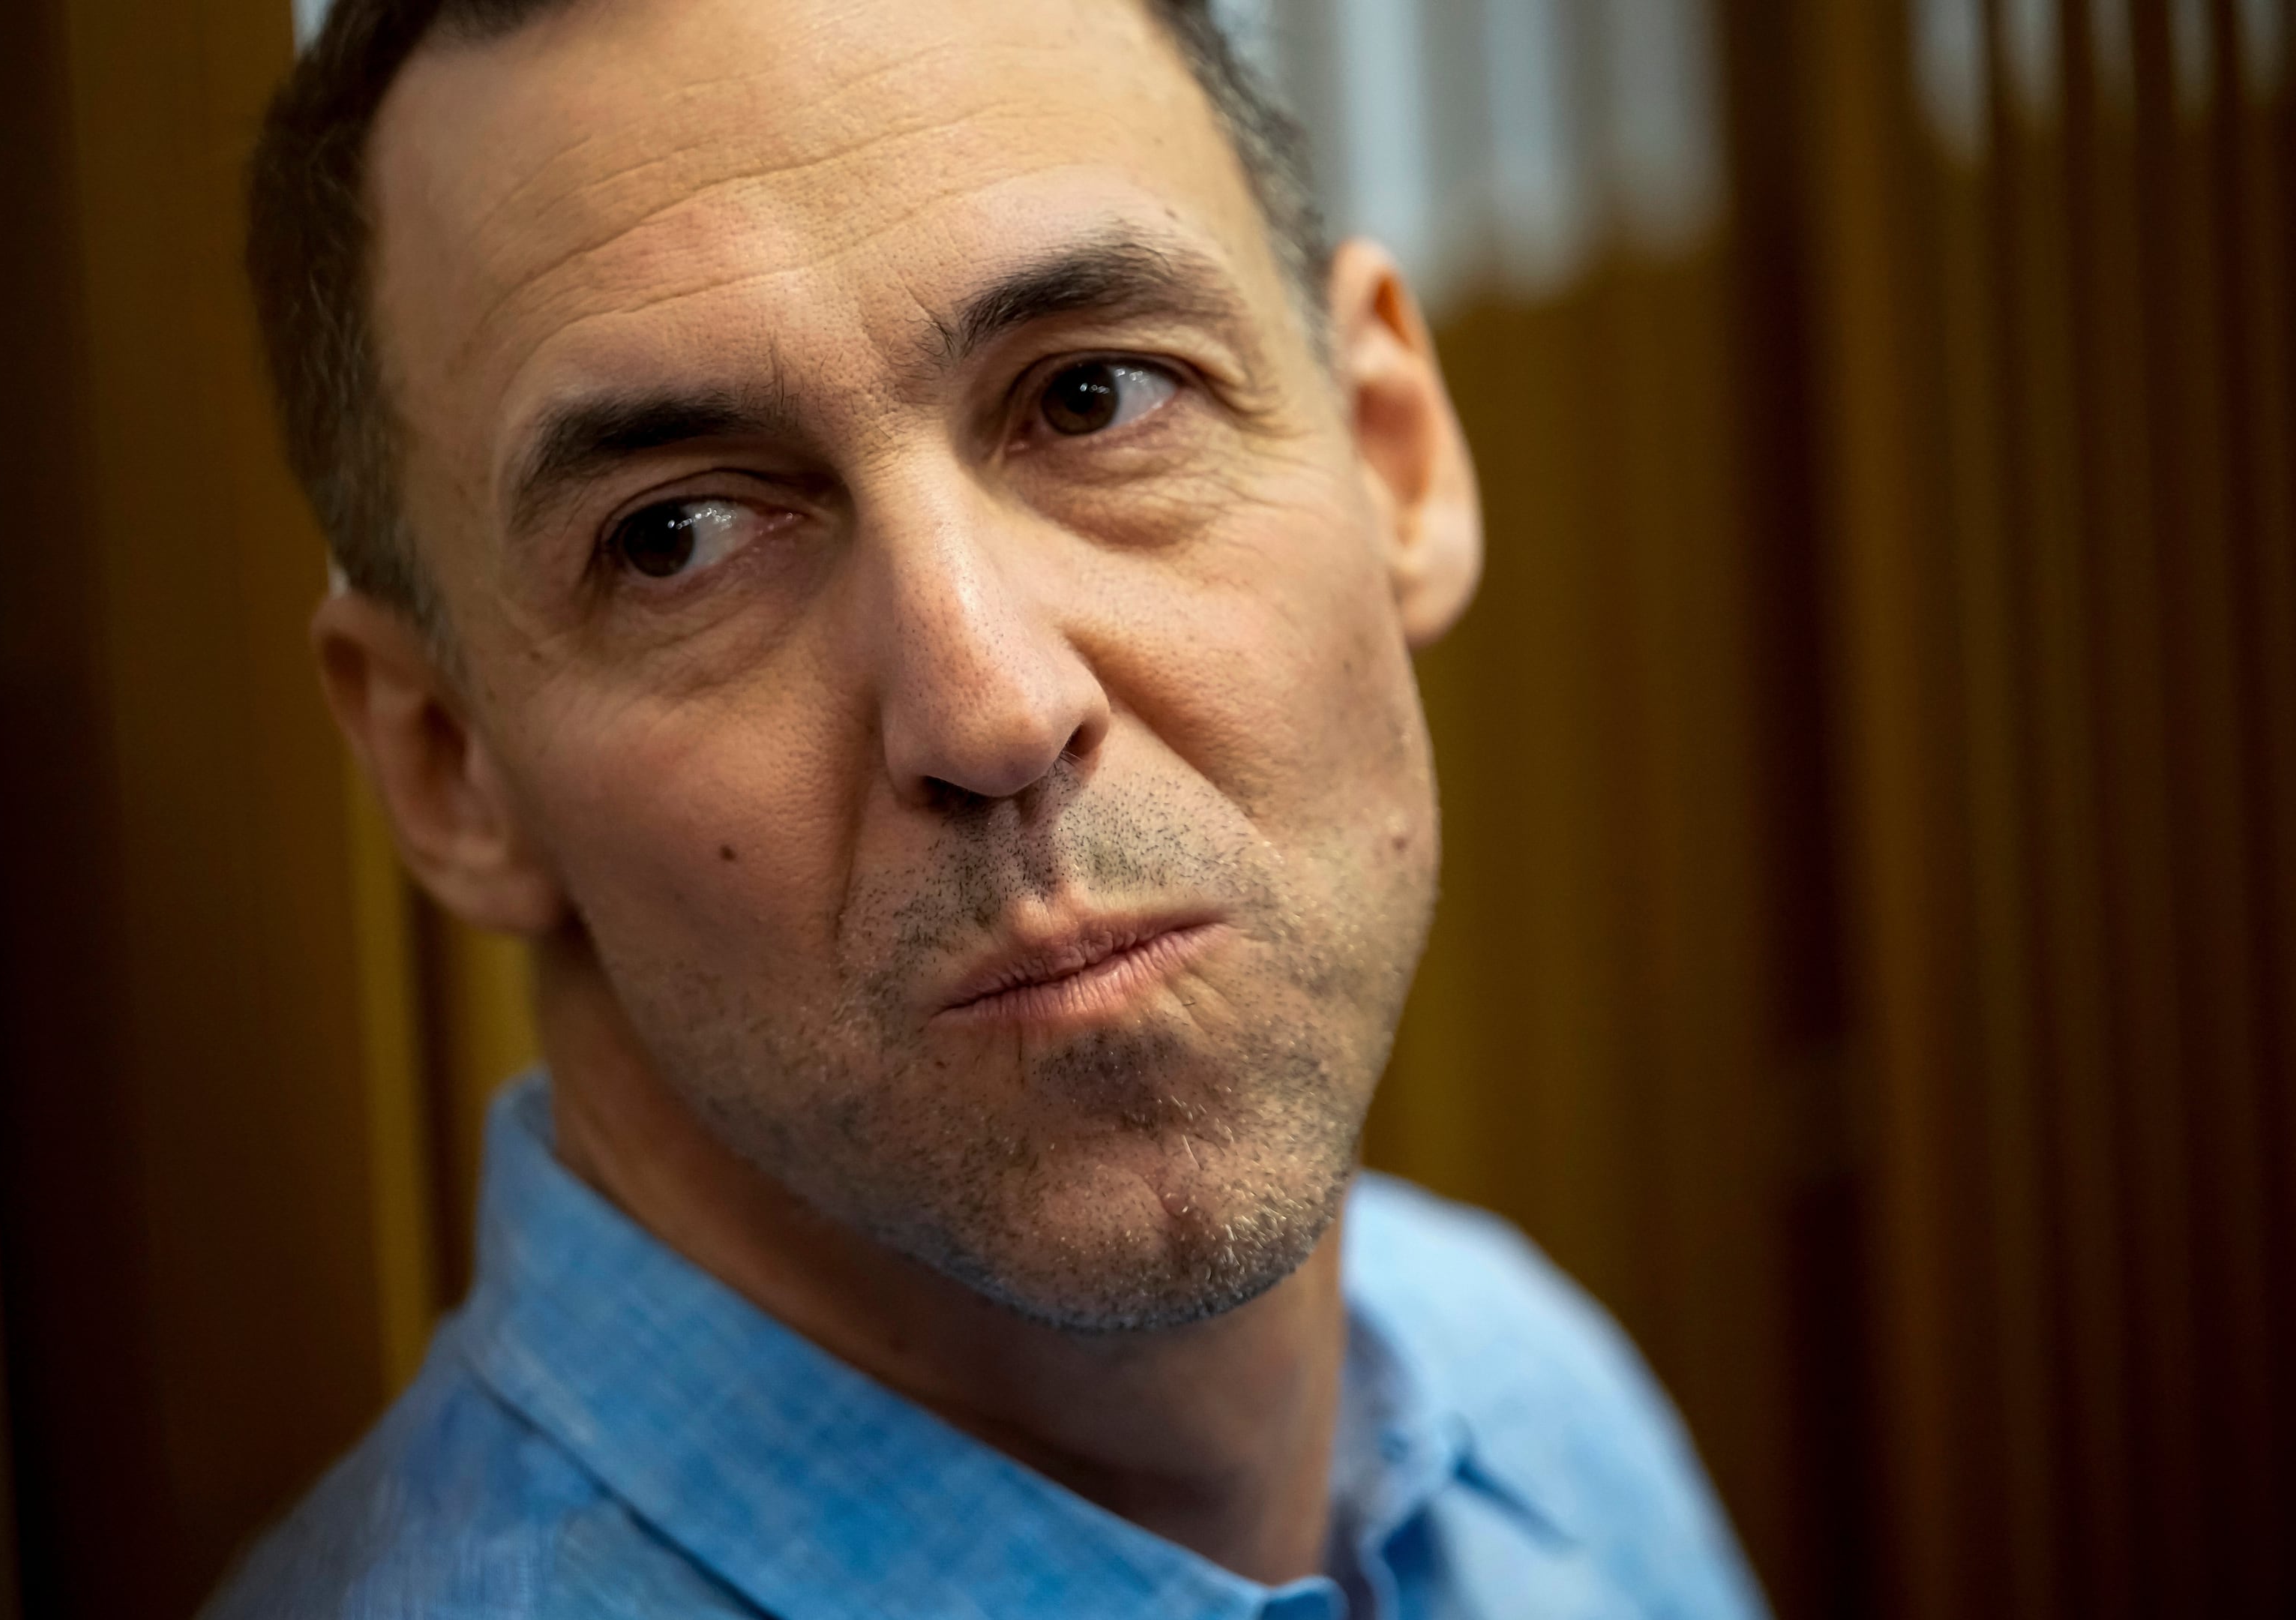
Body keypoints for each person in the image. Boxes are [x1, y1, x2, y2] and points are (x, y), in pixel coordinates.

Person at [214, 0, 1767, 1613]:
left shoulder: (1522, 1401)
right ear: (448, 766)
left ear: (1392, 455)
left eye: (1094, 397)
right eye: (676, 534)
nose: (998, 712)